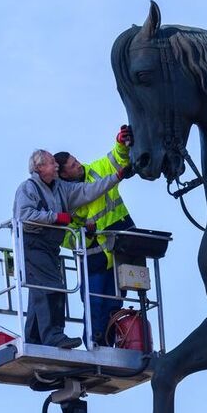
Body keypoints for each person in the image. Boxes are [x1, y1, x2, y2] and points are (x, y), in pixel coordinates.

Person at [12, 149, 133, 349]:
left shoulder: (61, 188)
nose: (56, 166)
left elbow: (88, 191)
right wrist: (56, 218)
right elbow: (24, 215)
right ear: (39, 167)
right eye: (52, 162)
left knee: (40, 290)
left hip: (50, 247)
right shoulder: (28, 188)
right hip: (32, 243)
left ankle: (34, 339)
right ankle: (54, 336)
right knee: (53, 286)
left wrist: (115, 177)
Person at [54, 125, 135, 347]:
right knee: (95, 306)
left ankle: (111, 346)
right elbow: (65, 237)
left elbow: (118, 158)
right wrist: (85, 234)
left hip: (120, 250)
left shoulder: (98, 168)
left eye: (76, 160)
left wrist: (120, 143)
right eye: (72, 166)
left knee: (116, 305)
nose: (78, 165)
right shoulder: (61, 198)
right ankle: (94, 347)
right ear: (62, 174)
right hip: (94, 258)